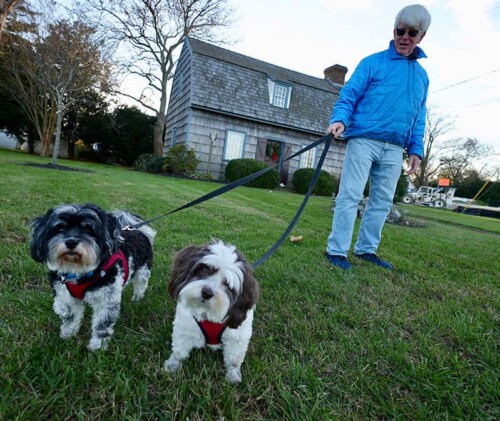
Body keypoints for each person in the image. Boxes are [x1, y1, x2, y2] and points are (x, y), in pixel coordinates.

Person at [325, 4, 431, 271]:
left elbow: (419, 116)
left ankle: (366, 250)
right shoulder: (372, 63)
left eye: (412, 32)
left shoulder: (422, 76)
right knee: (350, 195)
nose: (404, 37)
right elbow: (349, 95)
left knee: (382, 202)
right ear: (394, 30)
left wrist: (416, 150)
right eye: (400, 31)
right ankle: (336, 251)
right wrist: (339, 119)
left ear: (422, 36)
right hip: (364, 140)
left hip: (395, 148)